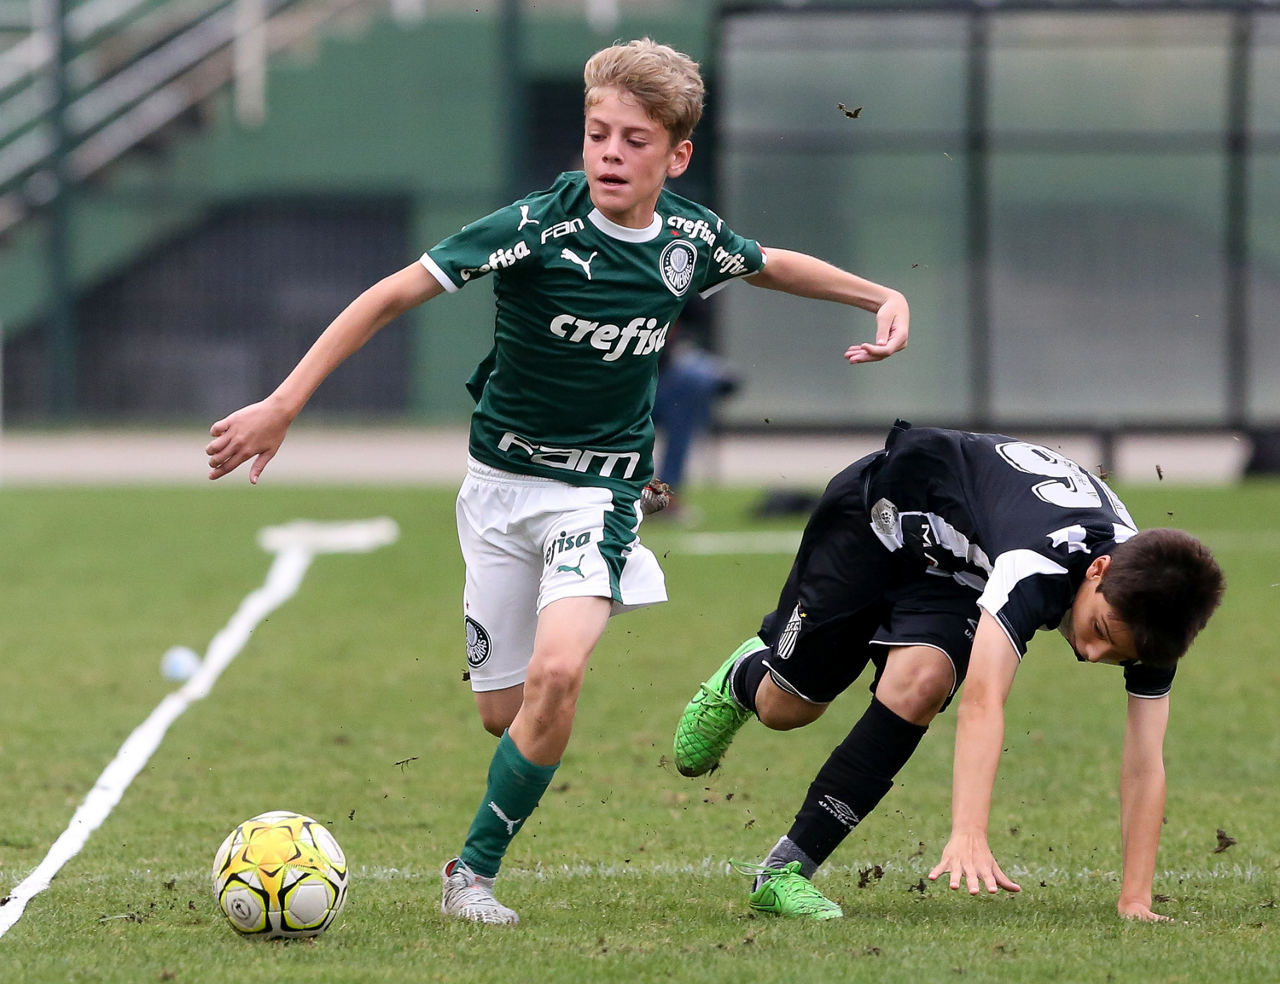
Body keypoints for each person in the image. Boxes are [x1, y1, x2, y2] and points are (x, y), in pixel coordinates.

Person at [204, 39, 911, 925]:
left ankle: (471, 874)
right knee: (503, 712)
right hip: (497, 491)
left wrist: (879, 296)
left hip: (601, 497)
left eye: (635, 140)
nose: (610, 154)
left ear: (677, 156)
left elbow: (769, 262)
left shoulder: (689, 240)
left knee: (560, 672)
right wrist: (283, 404)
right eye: (596, 134)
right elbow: (390, 295)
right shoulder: (536, 227)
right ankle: (510, 780)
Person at [672, 420, 1224, 921]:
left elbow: (1145, 762)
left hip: (957, 566)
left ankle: (784, 872)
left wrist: (1135, 899)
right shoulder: (1035, 567)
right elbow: (983, 701)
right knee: (786, 709)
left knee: (924, 683)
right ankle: (743, 677)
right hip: (879, 518)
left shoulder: (1155, 616)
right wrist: (969, 833)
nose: (1094, 654)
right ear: (1098, 570)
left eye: (1119, 655)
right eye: (1100, 630)